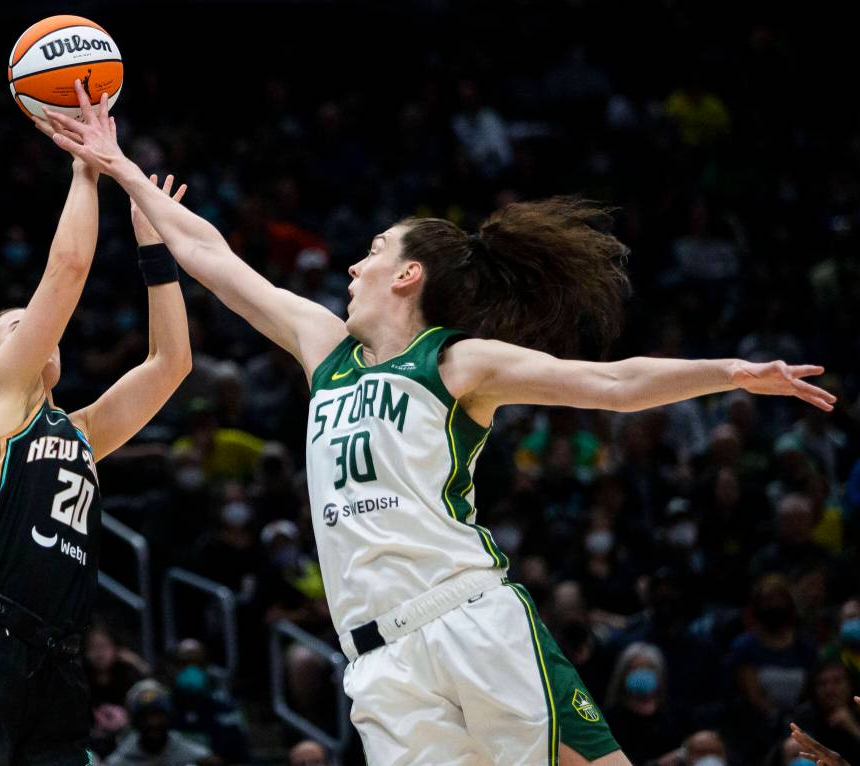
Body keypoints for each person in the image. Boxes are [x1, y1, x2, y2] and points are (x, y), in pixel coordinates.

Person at [47, 81, 835, 766]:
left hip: (469, 623)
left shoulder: (456, 362)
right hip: (379, 660)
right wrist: (118, 167)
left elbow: (614, 384)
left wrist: (729, 372)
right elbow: (213, 258)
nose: (350, 268)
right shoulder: (326, 351)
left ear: (407, 274)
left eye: (370, 253)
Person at [0, 92, 192, 766]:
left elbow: (171, 363)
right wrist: (87, 169)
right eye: (18, 322)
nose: (36, 324)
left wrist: (153, 239)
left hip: (58, 667)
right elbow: (66, 274)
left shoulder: (81, 432)